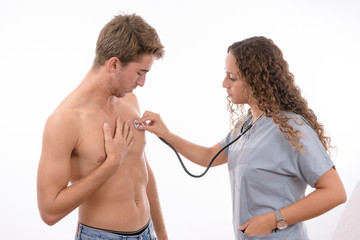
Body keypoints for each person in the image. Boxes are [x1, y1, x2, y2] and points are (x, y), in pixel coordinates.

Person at [135, 36, 347, 239]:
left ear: (255, 79)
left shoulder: (291, 128)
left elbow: (335, 192)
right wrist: (167, 134)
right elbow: (209, 156)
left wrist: (275, 219)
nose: (224, 83)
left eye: (232, 77)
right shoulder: (246, 125)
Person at [37, 13, 168, 240]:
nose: (142, 83)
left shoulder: (129, 100)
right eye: (140, 72)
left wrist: (162, 235)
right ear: (114, 64)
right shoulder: (64, 121)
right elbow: (49, 211)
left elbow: (142, 170)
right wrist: (110, 165)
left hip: (148, 233)